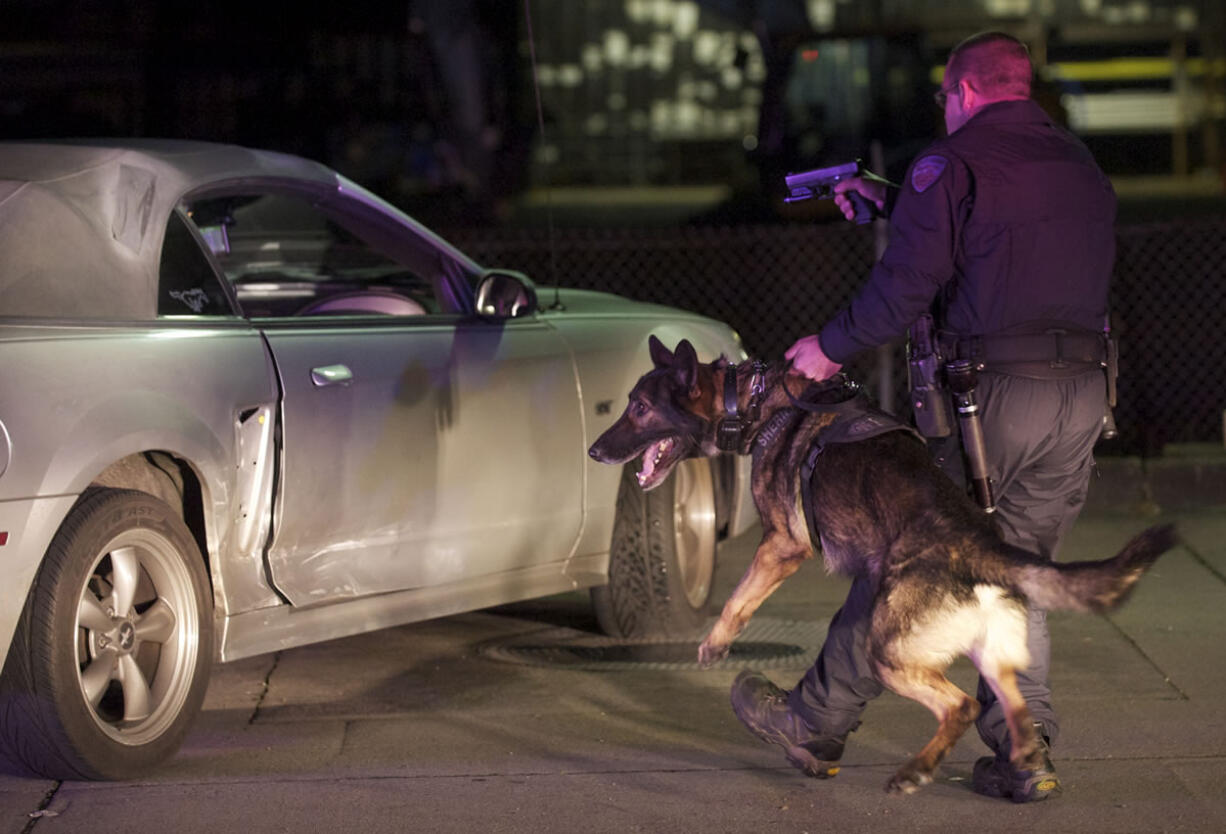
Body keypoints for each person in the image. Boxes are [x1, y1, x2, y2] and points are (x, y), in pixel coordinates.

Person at [730, 31, 1116, 803]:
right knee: (1015, 573)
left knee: (905, 560)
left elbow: (906, 288)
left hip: (988, 403)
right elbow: (1006, 257)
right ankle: (1024, 748)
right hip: (1080, 397)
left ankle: (813, 721)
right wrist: (896, 204)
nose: (944, 110)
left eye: (945, 98)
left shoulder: (953, 163)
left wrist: (826, 349)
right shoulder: (1078, 163)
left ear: (964, 91)